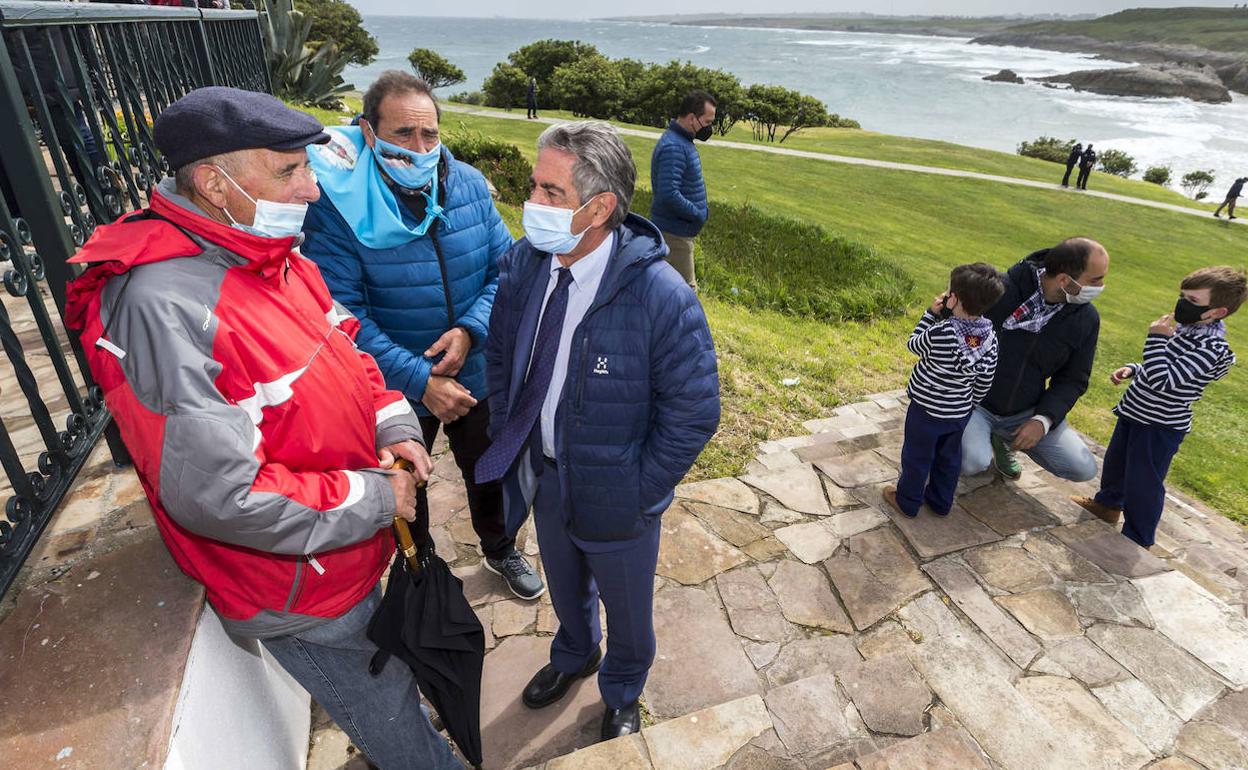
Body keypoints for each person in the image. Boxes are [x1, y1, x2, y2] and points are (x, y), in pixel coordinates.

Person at [62, 87, 462, 769]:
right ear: (216, 184)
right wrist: (373, 499)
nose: (310, 189)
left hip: (339, 546)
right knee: (390, 717)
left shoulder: (266, 248)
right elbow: (220, 493)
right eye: (288, 172)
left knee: (391, 677)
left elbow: (346, 346)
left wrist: (393, 422)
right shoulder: (163, 307)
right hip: (300, 585)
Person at [477, 121, 719, 743]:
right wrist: (512, 437)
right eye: (534, 185)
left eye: (550, 192)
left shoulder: (662, 296)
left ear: (601, 206)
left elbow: (694, 411)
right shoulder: (525, 265)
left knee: (628, 609)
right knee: (564, 583)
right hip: (549, 477)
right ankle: (574, 653)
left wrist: (640, 489)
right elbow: (502, 358)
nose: (532, 202)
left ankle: (623, 686)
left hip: (620, 491)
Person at [302, 71, 544, 601]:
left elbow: (505, 270)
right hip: (397, 386)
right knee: (411, 482)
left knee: (491, 471)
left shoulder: (468, 185)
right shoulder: (338, 207)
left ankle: (501, 547)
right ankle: (423, 567)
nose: (419, 148)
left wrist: (470, 330)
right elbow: (342, 314)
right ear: (369, 133)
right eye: (403, 135)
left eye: (429, 134)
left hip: (476, 370)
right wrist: (420, 379)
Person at [1073, 267, 1243, 548]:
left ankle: (1138, 536)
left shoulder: (1211, 347)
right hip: (1136, 411)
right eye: (1182, 296)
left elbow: (1165, 380)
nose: (1182, 304)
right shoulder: (1185, 331)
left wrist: (1156, 338)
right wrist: (1133, 369)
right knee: (1117, 463)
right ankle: (1107, 505)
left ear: (1218, 312)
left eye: (1193, 300)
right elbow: (1158, 366)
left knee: (1144, 482)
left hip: (1160, 426)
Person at [961, 237, 1107, 483]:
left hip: (1025, 411)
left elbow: (1074, 379)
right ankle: (980, 438)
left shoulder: (1086, 318)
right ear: (1064, 280)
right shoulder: (999, 290)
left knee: (1083, 468)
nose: (1102, 286)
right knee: (972, 462)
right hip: (974, 402)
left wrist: (1043, 420)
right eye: (1096, 280)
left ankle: (1002, 440)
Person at [885, 264, 1004, 518]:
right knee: (949, 459)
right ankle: (940, 502)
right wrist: (969, 404)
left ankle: (907, 501)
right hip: (959, 411)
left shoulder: (942, 331)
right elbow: (985, 379)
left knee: (917, 456)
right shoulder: (990, 337)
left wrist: (930, 314)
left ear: (955, 299)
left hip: (926, 410)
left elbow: (914, 344)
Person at [649, 90, 715, 288]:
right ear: (692, 118)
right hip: (674, 233)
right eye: (708, 122)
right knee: (686, 291)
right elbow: (668, 194)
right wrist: (697, 213)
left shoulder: (682, 142)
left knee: (668, 290)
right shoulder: (674, 148)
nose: (709, 128)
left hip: (678, 231)